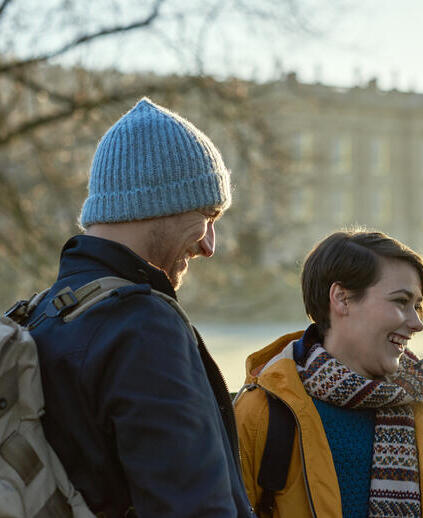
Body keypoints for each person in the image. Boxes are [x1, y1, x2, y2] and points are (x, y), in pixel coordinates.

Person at [27, 98, 255, 517]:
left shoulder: (41, 315)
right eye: (208, 215)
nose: (209, 246)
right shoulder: (142, 326)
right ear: (160, 204)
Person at [234, 230, 423, 518]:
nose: (417, 323)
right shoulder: (264, 413)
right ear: (342, 298)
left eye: (418, 306)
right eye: (400, 301)